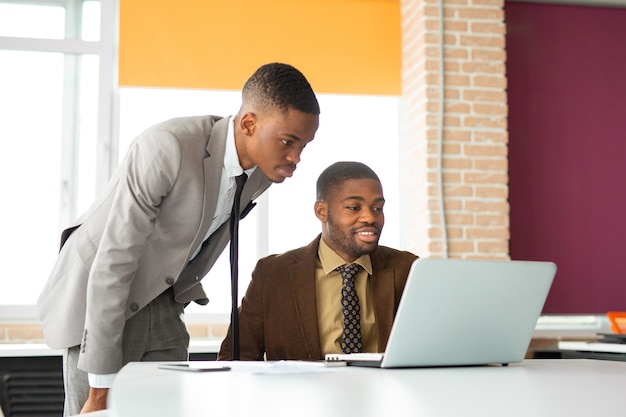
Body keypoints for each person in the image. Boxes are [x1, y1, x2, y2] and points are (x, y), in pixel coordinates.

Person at [37, 62, 320, 415]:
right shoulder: (167, 146)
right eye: (287, 142)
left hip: (166, 301)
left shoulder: (262, 173)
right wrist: (99, 390)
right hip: (101, 298)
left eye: (304, 146)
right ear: (249, 124)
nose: (295, 158)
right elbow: (114, 262)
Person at [218, 161, 418, 361]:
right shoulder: (272, 274)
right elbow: (236, 359)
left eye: (377, 208)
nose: (369, 217)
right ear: (322, 211)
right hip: (300, 391)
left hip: (384, 390)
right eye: (353, 207)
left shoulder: (408, 269)